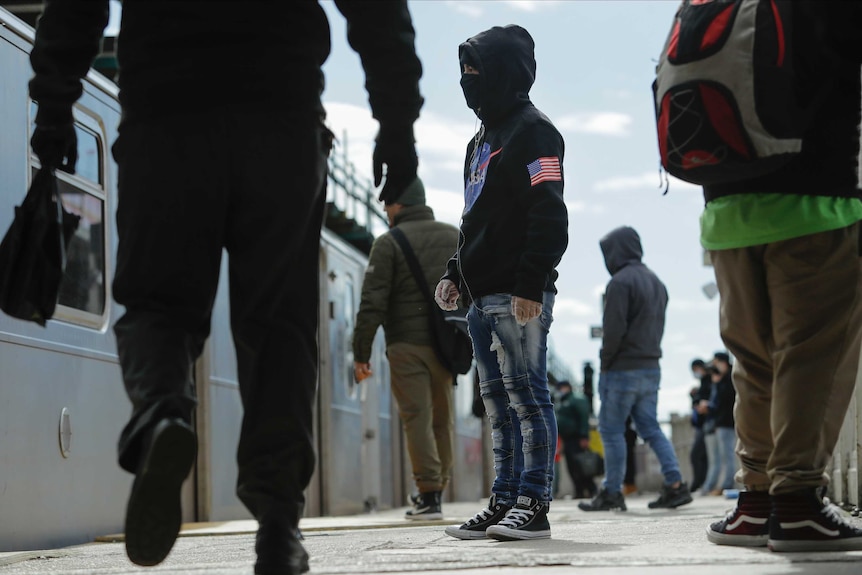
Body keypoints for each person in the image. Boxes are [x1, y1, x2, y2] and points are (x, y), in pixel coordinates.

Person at [27, 1, 423, 572]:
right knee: (280, 326)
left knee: (156, 305)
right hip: (281, 115)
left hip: (165, 115)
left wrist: (54, 102)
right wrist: (396, 124)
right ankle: (279, 528)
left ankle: (163, 414)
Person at [701, 3, 862, 551]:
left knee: (754, 361)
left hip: (725, 212)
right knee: (813, 352)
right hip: (814, 201)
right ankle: (796, 505)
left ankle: (756, 502)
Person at [436, 24, 568, 541]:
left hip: (518, 293)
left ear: (505, 72)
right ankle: (505, 498)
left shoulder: (534, 131)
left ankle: (533, 502)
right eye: (463, 72)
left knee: (528, 397)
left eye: (477, 71)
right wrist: (454, 272)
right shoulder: (480, 140)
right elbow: (475, 220)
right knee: (496, 403)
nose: (468, 82)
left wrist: (532, 284)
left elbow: (548, 210)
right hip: (480, 295)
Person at [352, 178, 459, 520]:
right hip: (448, 344)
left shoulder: (388, 243)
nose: (384, 210)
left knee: (417, 417)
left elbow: (373, 302)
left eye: (387, 203)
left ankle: (429, 496)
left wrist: (361, 352)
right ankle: (438, 487)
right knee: (443, 419)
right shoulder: (453, 236)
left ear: (399, 205)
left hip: (406, 345)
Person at [579, 226, 692, 512]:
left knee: (612, 430)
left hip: (622, 369)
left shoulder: (619, 282)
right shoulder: (657, 281)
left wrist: (605, 363)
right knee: (651, 427)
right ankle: (676, 485)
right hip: (651, 367)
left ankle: (612, 492)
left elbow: (613, 331)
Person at [697, 353, 737, 496]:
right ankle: (722, 485)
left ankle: (727, 485)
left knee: (727, 456)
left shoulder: (730, 378)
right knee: (721, 456)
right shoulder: (720, 379)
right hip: (719, 423)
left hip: (727, 422)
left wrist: (718, 383)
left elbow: (726, 398)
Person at [554, 380, 596, 499]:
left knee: (582, 466)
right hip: (567, 439)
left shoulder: (577, 399)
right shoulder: (562, 401)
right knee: (572, 467)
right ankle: (579, 491)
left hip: (577, 438)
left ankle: (591, 490)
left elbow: (583, 418)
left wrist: (584, 436)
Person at [688, 358, 712, 493]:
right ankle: (701, 483)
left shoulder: (709, 379)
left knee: (697, 455)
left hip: (708, 423)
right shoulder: (703, 382)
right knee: (702, 456)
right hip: (701, 424)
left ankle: (699, 483)